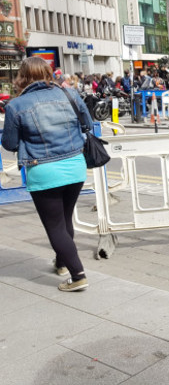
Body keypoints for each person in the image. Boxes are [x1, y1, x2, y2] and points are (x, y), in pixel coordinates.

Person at [1, 57, 92, 292]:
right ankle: (62, 263)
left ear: (22, 76)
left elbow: (9, 143)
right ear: (48, 73)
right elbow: (88, 125)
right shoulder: (69, 94)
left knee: (54, 226)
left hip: (43, 170)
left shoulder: (16, 105)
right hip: (75, 165)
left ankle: (78, 275)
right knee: (64, 219)